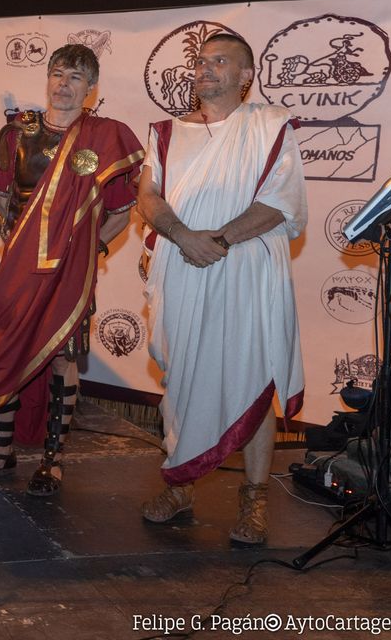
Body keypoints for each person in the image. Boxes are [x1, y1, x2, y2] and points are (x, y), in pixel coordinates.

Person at [137, 33, 306, 546]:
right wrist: (184, 236)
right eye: (200, 61)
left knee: (252, 378)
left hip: (245, 269)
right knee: (184, 377)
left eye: (220, 61)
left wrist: (220, 240)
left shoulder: (269, 126)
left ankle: (255, 499)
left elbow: (280, 202)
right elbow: (147, 195)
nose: (205, 68)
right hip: (181, 264)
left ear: (246, 75)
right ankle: (181, 485)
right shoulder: (166, 132)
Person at [0, 44, 143, 496]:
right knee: (2, 349)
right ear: (47, 78)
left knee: (63, 357)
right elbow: (0, 198)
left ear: (91, 87)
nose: (64, 84)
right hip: (16, 272)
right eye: (58, 74)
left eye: (76, 77)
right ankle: (0, 452)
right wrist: (9, 244)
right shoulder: (15, 134)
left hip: (69, 276)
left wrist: (87, 250)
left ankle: (53, 460)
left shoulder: (104, 138)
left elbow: (122, 211)